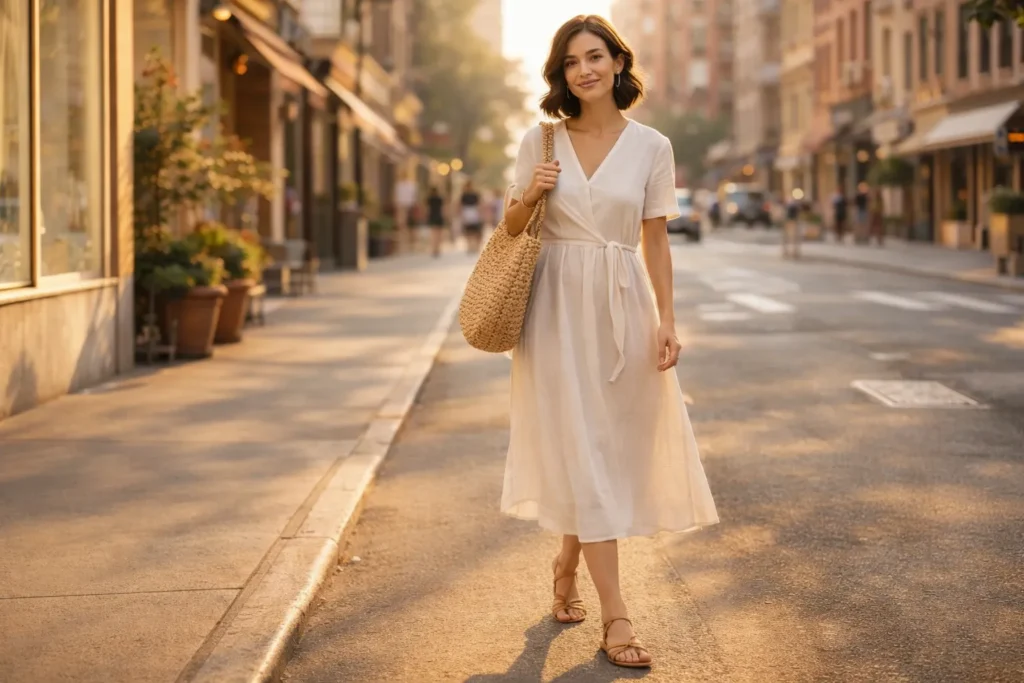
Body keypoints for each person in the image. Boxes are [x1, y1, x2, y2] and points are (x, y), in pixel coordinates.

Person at [500, 14, 718, 669]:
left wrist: (667, 318)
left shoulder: (653, 146)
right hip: (557, 304)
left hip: (623, 303)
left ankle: (567, 558)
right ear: (560, 74)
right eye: (571, 62)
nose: (584, 69)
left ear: (618, 62)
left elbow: (655, 238)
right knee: (583, 441)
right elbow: (509, 227)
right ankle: (616, 615)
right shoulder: (540, 141)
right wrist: (529, 194)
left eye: (594, 56)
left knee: (604, 444)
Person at [460, 180, 484, 253]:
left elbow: (479, 204)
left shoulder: (474, 195)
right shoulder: (464, 195)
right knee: (469, 231)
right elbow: (461, 205)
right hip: (467, 212)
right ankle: (470, 246)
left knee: (474, 230)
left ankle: (474, 246)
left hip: (473, 212)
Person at [426, 186, 446, 258]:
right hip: (439, 216)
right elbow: (443, 208)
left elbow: (427, 209)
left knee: (433, 234)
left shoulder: (429, 199)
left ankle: (434, 249)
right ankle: (437, 248)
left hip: (432, 216)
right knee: (439, 234)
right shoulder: (439, 199)